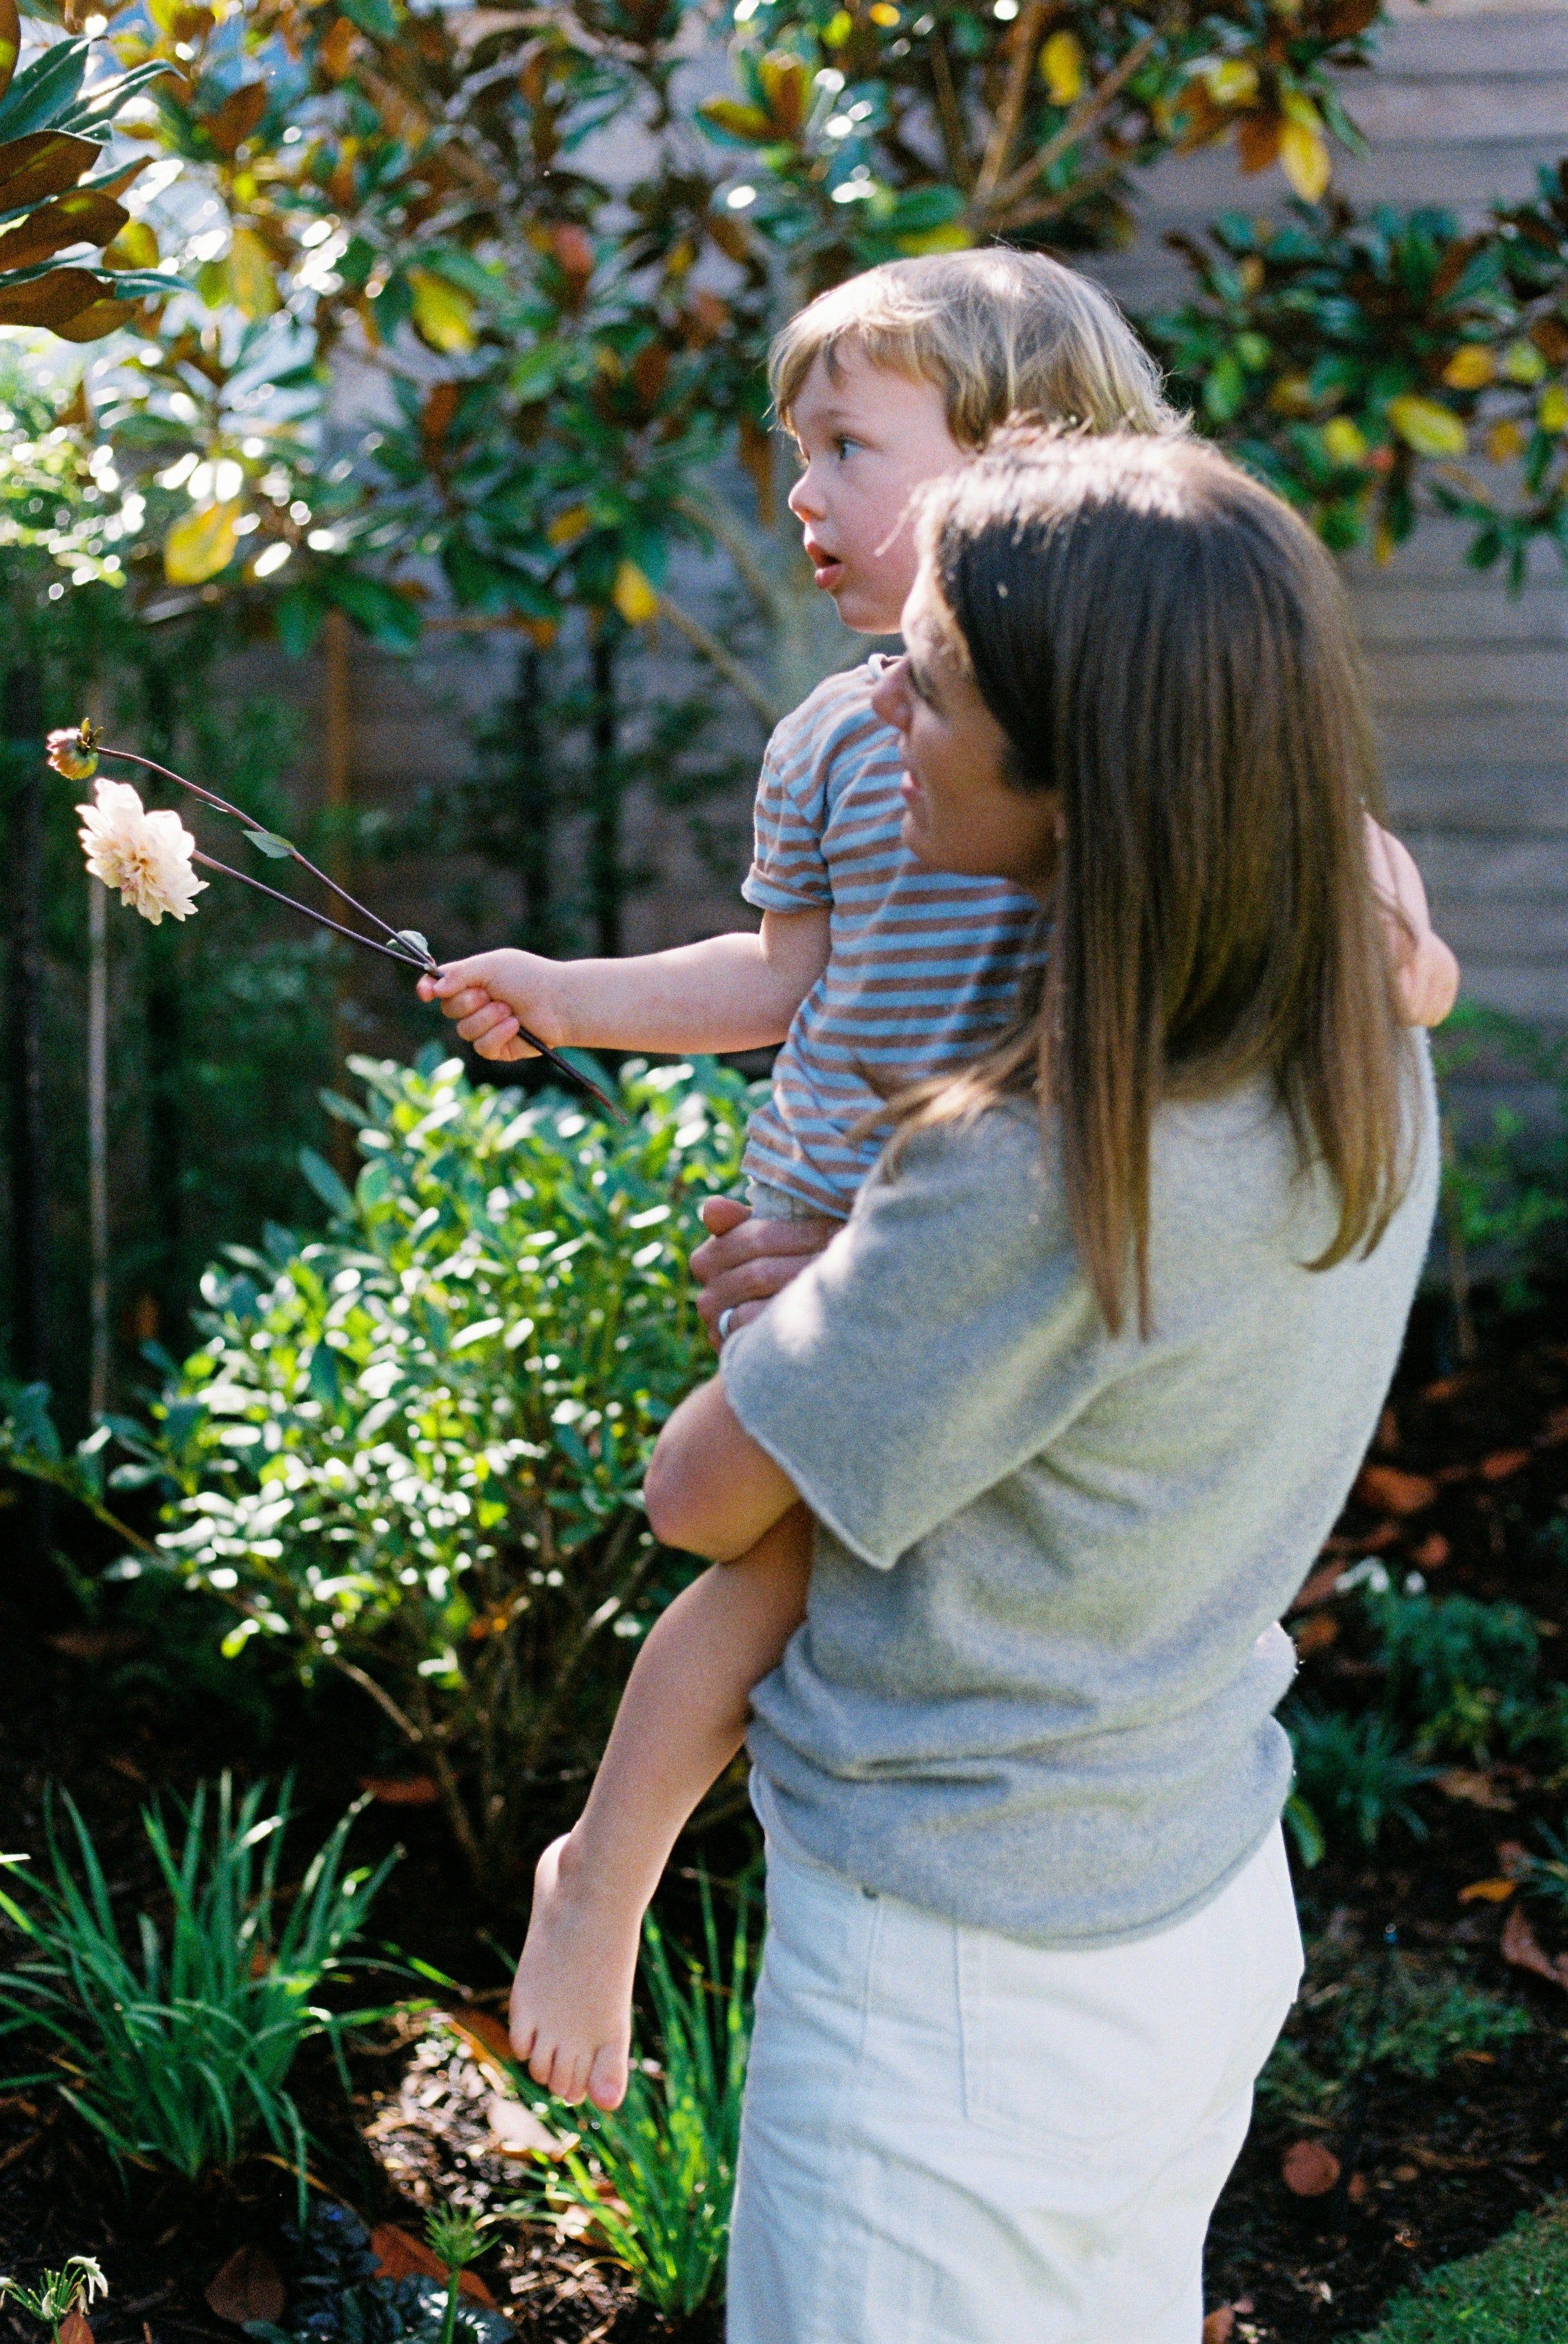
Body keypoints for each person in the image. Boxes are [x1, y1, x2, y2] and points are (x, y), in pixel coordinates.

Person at [417, 253, 1456, 2112]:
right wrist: (564, 996)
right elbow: (778, 977)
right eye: (791, 450)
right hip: (861, 1236)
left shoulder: (1172, 728)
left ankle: (599, 1874)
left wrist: (1397, 965)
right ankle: (609, 1872)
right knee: (761, 1560)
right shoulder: (841, 737)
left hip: (960, 1252)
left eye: (842, 446)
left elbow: (1378, 934)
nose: (800, 496)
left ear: (1026, 459)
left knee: (797, 1551)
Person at [643, 428, 1441, 2343]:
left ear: (1079, 764)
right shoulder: (1348, 1031)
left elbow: (698, 1498)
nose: (881, 707)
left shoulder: (1032, 1170)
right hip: (1177, 1886)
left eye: (931, 677)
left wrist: (821, 1281)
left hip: (960, 1990)